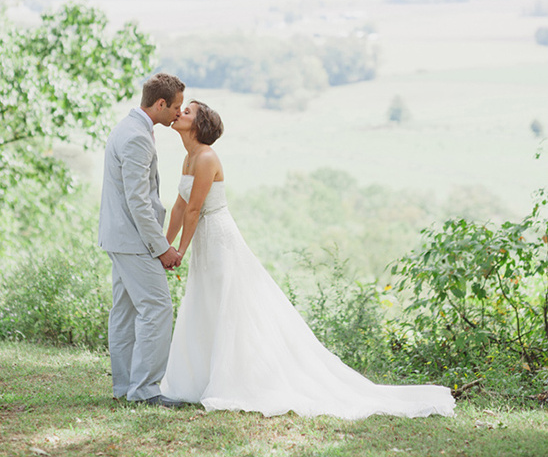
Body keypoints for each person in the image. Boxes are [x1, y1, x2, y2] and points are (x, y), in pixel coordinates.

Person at [160, 100, 455, 419]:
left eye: (187, 112)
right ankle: (201, 377)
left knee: (228, 303)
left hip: (218, 238)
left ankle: (239, 376)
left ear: (200, 124)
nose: (180, 114)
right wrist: (166, 246)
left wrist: (180, 251)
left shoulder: (205, 157)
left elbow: (194, 210)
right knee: (205, 301)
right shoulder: (188, 157)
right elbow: (178, 207)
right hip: (204, 237)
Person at [98, 72, 186, 407]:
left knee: (124, 311)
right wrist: (161, 247)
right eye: (176, 107)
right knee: (157, 308)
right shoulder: (136, 137)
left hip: (118, 237)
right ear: (160, 103)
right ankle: (146, 390)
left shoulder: (128, 127)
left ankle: (125, 387)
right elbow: (138, 201)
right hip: (133, 240)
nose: (178, 113)